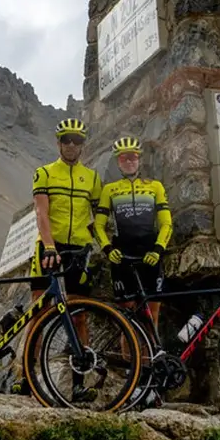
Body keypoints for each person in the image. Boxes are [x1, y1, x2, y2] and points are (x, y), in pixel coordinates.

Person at [96, 135, 172, 332]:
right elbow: (98, 226)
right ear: (118, 162)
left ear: (139, 159)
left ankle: (150, 362)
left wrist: (158, 249)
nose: (129, 161)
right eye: (123, 158)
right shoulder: (109, 190)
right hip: (122, 257)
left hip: (150, 254)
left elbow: (166, 223)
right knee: (127, 320)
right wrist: (107, 249)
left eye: (132, 157)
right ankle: (130, 363)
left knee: (151, 315)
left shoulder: (155, 186)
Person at [30, 117, 101, 301]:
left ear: (82, 144)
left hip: (79, 248)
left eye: (77, 140)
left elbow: (99, 216)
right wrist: (49, 246)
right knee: (40, 304)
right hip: (50, 244)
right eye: (66, 139)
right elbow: (41, 212)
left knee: (79, 311)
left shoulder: (92, 177)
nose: (71, 144)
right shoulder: (44, 173)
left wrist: (103, 243)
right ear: (58, 143)